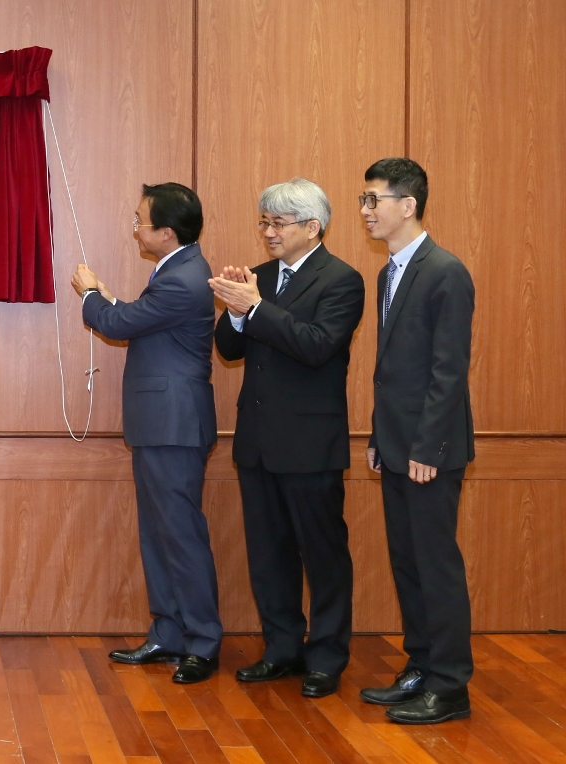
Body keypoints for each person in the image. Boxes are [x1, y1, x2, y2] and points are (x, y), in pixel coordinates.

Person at [209, 178, 365, 699]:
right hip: (257, 442)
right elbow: (230, 350)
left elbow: (317, 346)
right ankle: (281, 650)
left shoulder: (342, 280)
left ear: (312, 227)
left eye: (278, 223)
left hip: (309, 444)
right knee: (269, 553)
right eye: (264, 222)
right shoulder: (262, 276)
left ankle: (325, 657)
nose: (268, 232)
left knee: (322, 555)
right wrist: (235, 311)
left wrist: (254, 308)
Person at [72, 183, 221, 683]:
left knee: (180, 536)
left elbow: (117, 324)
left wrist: (91, 292)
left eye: (140, 220)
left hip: (174, 427)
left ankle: (201, 642)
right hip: (162, 425)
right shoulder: (176, 271)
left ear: (166, 231)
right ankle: (168, 633)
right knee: (159, 534)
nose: (133, 227)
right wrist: (113, 301)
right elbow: (138, 320)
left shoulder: (181, 280)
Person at [358, 158, 475, 724]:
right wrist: (383, 438)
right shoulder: (388, 273)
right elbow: (392, 371)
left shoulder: (445, 271)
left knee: (436, 566)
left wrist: (426, 449)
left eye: (373, 199)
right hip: (398, 445)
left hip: (432, 450)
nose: (365, 210)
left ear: (408, 205)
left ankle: (451, 686)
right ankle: (422, 666)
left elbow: (448, 372)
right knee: (407, 563)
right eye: (363, 200)